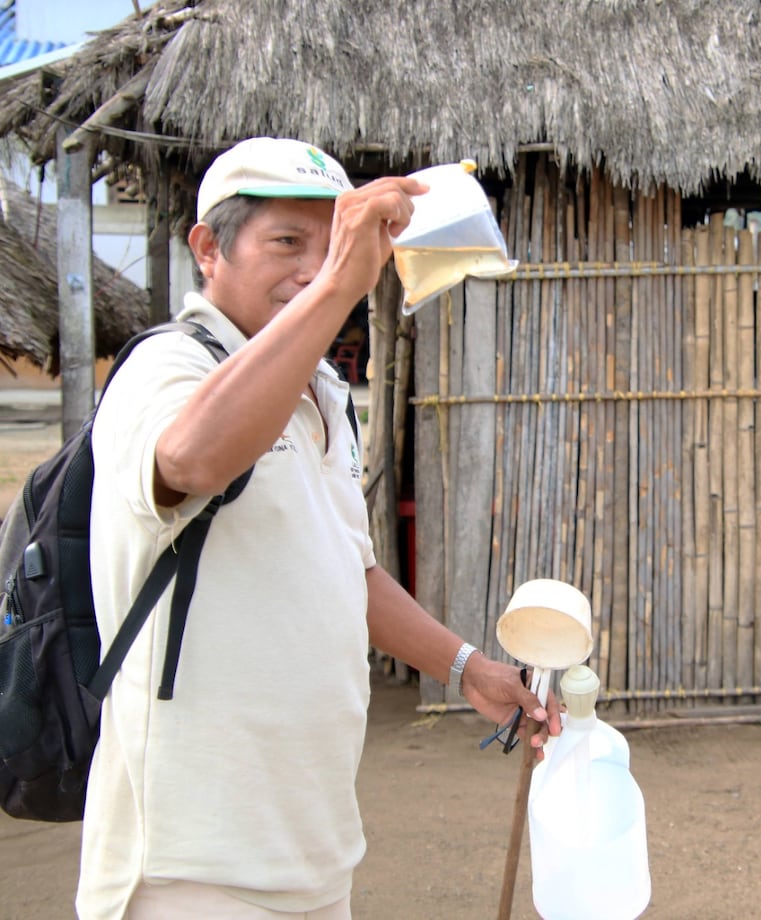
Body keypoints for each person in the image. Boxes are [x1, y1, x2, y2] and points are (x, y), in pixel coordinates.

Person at [80, 137, 559, 919]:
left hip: (312, 848)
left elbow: (346, 568)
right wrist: (339, 281)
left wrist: (467, 668)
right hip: (189, 865)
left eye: (331, 244)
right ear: (208, 249)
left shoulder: (324, 393)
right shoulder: (168, 368)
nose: (310, 269)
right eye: (285, 243)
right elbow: (191, 460)